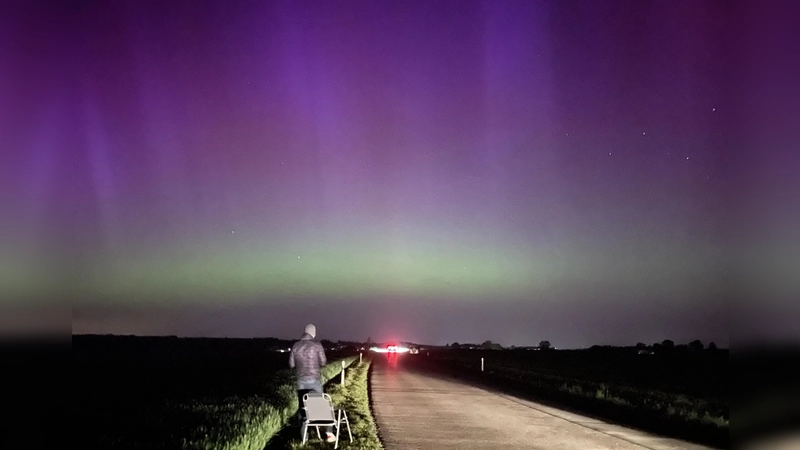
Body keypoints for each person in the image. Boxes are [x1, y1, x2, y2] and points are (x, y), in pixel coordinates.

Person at [289, 323, 334, 442]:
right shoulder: (317, 345)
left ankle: (304, 435)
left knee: (302, 406)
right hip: (315, 380)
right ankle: (329, 433)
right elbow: (323, 362)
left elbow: (291, 364)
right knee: (320, 405)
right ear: (313, 333)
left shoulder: (296, 345)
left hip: (301, 381)